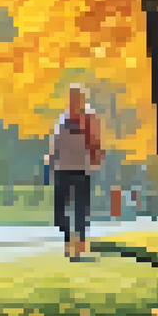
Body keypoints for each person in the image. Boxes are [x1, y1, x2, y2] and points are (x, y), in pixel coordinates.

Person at [45, 83, 105, 261]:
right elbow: (55, 142)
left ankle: (77, 247)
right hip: (62, 168)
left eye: (76, 97)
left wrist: (95, 160)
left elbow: (97, 142)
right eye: (70, 97)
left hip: (81, 168)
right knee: (59, 212)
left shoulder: (89, 117)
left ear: (81, 99)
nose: (72, 100)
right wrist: (50, 161)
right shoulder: (63, 118)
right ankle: (68, 239)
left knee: (80, 209)